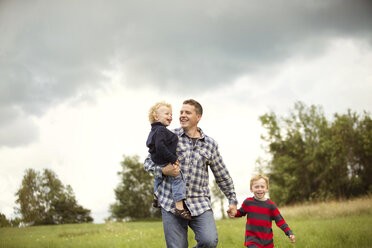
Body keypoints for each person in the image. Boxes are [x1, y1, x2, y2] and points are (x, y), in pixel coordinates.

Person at [144, 99, 238, 248]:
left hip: (200, 203)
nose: (182, 115)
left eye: (187, 112)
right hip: (171, 203)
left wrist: (232, 200)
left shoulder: (210, 144)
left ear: (198, 117)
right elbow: (148, 163)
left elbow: (221, 174)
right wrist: (163, 170)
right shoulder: (168, 135)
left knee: (209, 241)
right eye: (181, 112)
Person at [146, 101, 191, 220]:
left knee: (159, 177)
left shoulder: (154, 130)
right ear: (156, 117)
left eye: (171, 114)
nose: (170, 117)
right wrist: (173, 158)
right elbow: (160, 146)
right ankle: (179, 207)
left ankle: (156, 197)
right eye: (167, 114)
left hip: (157, 159)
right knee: (177, 177)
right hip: (164, 158)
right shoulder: (161, 130)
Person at [232, 174, 295, 248]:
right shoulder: (248, 202)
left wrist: (289, 232)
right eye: (256, 187)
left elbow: (280, 221)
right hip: (252, 241)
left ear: (266, 189)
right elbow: (240, 213)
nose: (259, 189)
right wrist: (234, 212)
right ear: (251, 189)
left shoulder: (271, 206)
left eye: (262, 187)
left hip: (267, 242)